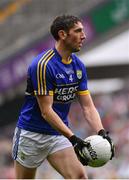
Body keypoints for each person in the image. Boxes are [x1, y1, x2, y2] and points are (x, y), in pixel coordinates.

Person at [12, 14, 114, 179]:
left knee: (79, 177)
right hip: (31, 135)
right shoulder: (43, 65)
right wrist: (73, 138)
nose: (84, 35)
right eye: (78, 31)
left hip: (57, 134)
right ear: (62, 34)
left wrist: (101, 132)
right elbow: (46, 111)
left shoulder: (78, 66)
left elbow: (88, 106)